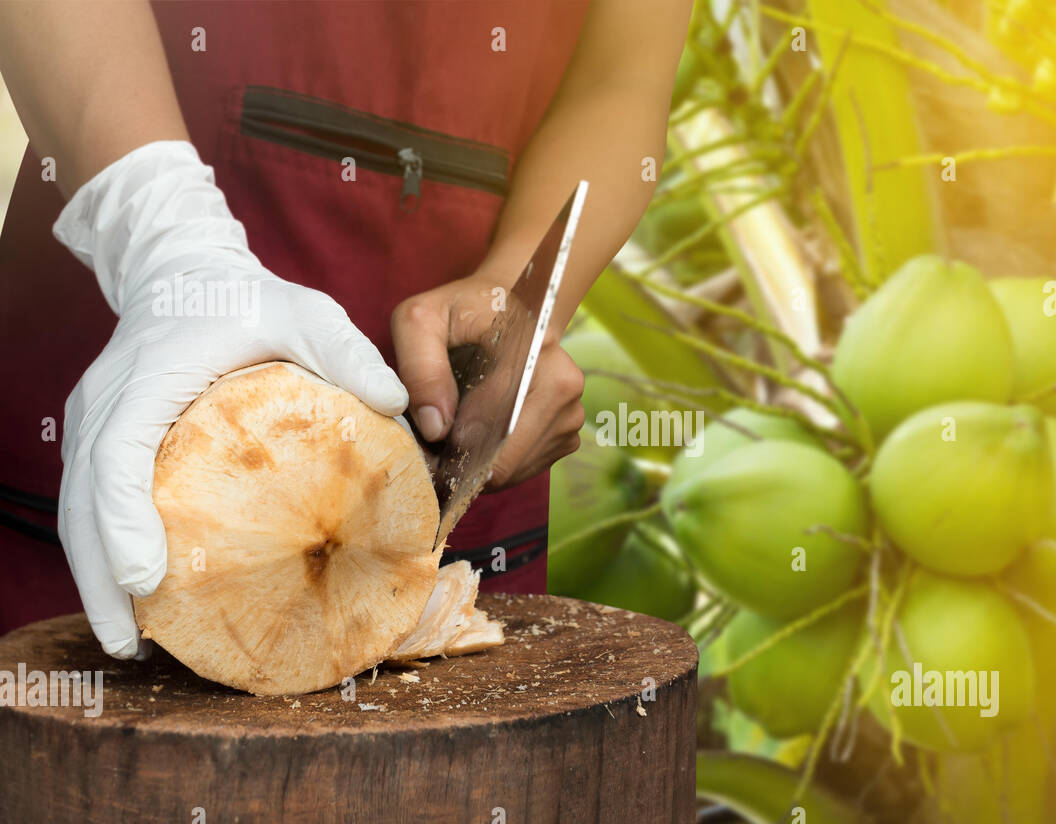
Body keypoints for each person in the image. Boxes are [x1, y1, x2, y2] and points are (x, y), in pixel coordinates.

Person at [0, 0, 691, 657]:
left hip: (450, 500)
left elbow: (621, 76)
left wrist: (516, 294)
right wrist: (163, 240)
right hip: (118, 380)